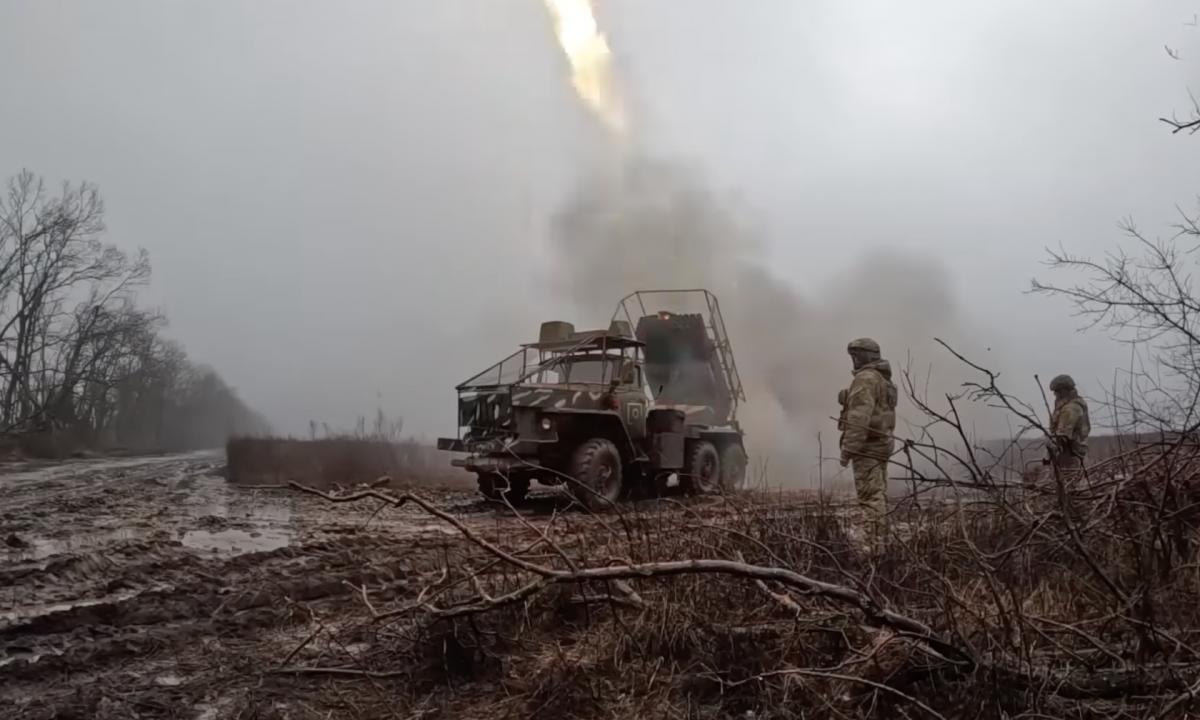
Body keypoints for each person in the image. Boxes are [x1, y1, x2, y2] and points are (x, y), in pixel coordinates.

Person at [838, 338, 898, 538]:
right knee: (878, 497)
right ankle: (882, 542)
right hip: (882, 445)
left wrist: (847, 451)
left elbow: (858, 420)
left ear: (864, 356)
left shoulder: (865, 379)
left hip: (867, 448)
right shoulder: (883, 380)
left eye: (855, 355)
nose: (853, 360)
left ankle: (874, 546)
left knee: (870, 500)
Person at [1046, 374, 1090, 473]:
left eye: (1057, 391)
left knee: (1069, 485)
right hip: (1071, 454)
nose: (1055, 395)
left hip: (1070, 456)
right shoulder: (1068, 406)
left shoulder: (1070, 409)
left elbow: (1062, 436)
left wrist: (1050, 452)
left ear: (1064, 391)